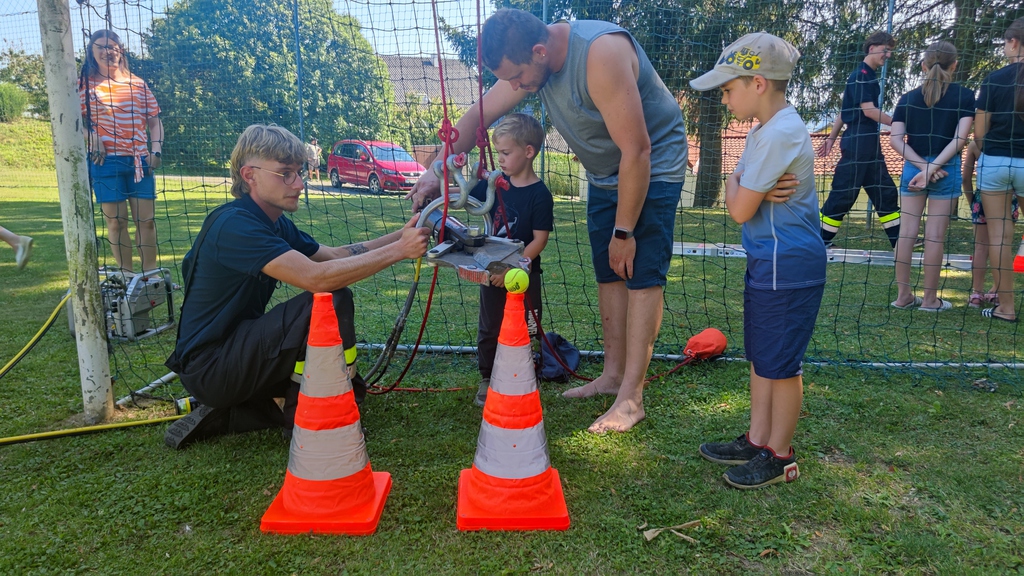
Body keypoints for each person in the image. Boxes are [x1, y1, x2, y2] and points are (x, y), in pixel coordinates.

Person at [408, 8, 689, 433]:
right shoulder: (529, 61)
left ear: (539, 51)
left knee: (641, 270)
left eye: (518, 77)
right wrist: (436, 171)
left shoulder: (601, 55)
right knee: (609, 270)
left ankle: (631, 398)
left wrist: (625, 231)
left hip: (651, 164)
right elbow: (477, 118)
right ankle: (612, 376)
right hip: (605, 173)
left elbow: (638, 151)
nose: (516, 87)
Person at [163, 124, 430, 449]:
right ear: (249, 175)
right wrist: (400, 251)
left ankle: (251, 410)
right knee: (332, 299)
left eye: (299, 172)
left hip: (235, 350)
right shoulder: (235, 226)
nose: (300, 184)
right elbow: (317, 278)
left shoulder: (271, 221)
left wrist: (405, 233)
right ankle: (309, 425)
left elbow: (334, 256)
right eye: (285, 174)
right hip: (211, 367)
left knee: (327, 301)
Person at [690, 33, 826, 488]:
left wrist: (745, 188)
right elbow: (739, 185)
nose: (724, 99)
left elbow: (738, 208)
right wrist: (745, 183)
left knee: (780, 364)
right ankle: (758, 439)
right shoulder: (762, 131)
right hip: (768, 262)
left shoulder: (782, 132)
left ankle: (780, 454)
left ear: (759, 83)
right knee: (762, 357)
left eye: (729, 89)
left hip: (788, 266)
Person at [469, 113, 554, 407]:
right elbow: (465, 196)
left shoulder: (540, 195)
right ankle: (488, 377)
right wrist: (439, 188)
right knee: (490, 326)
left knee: (526, 327)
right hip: (492, 274)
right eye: (498, 153)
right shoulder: (495, 183)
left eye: (506, 153)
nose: (500, 159)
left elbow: (539, 240)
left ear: (528, 151)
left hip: (523, 276)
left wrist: (513, 267)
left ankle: (525, 374)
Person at [888, 41, 974, 312]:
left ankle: (903, 296)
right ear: (955, 65)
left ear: (924, 66)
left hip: (914, 170)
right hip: (945, 169)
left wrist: (923, 168)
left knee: (906, 233)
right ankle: (929, 301)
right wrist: (932, 168)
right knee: (935, 236)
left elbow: (895, 140)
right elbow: (960, 139)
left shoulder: (907, 98)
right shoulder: (965, 96)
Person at [79, 30, 163, 276]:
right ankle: (126, 275)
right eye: (101, 47)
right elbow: (69, 120)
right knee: (116, 222)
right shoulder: (84, 84)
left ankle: (150, 276)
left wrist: (156, 151)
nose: (108, 51)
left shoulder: (137, 84)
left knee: (146, 222)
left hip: (139, 162)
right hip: (105, 162)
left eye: (112, 47)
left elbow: (155, 122)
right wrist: (91, 136)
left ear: (121, 51)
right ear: (92, 52)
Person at [817, 31, 901, 249]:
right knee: (844, 193)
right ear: (872, 48)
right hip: (859, 141)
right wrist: (898, 123)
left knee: (884, 190)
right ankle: (819, 240)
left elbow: (843, 112)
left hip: (867, 141)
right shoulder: (862, 75)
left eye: (890, 51)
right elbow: (869, 111)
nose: (888, 55)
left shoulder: (865, 75)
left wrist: (831, 139)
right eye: (885, 50)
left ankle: (900, 240)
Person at [974, 17, 1024, 323]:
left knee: (999, 236)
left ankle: (1006, 307)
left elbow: (979, 133)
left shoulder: (993, 79)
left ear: (1014, 42)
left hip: (994, 162)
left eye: (1005, 43)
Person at [962, 141, 1020, 307]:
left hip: (982, 196)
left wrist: (973, 201)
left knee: (980, 247)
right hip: (1009, 199)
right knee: (1003, 245)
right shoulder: (1014, 142)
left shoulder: (975, 145)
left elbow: (965, 178)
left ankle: (977, 293)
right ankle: (998, 291)